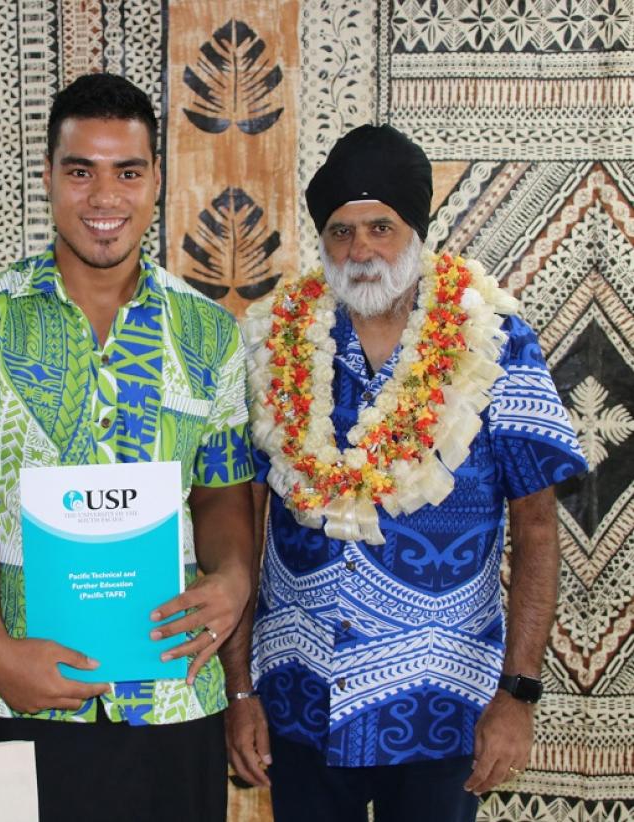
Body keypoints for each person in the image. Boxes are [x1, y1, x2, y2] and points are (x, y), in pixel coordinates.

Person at [0, 72, 256, 821]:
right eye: (81, 171)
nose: (105, 198)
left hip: (169, 696)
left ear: (156, 180)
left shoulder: (209, 334)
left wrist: (232, 580)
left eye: (127, 172)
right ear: (48, 178)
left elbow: (223, 495)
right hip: (11, 692)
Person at [228, 124, 589, 821]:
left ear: (416, 231)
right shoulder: (271, 341)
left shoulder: (497, 340)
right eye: (339, 231)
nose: (359, 249)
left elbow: (537, 526)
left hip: (442, 704)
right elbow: (239, 523)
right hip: (296, 698)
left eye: (379, 227)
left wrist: (516, 694)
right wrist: (239, 690)